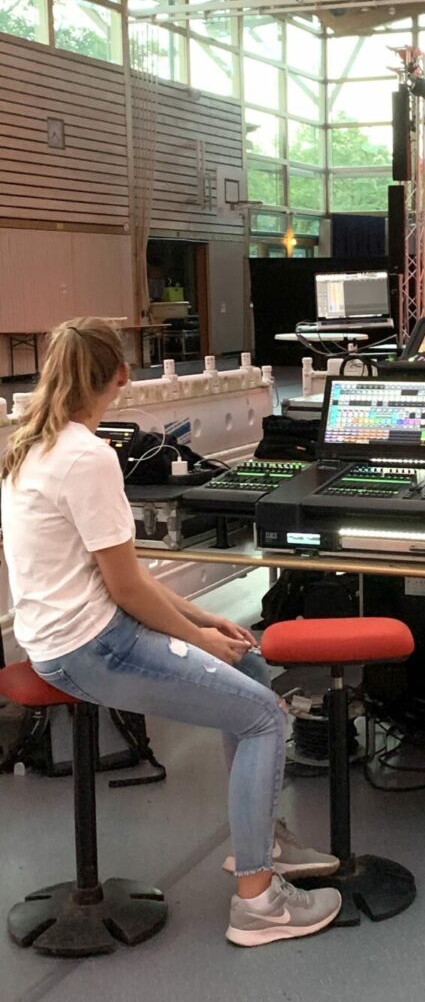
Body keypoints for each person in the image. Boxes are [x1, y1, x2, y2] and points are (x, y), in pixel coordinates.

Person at [0, 317, 342, 948]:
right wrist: (201, 638)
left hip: (60, 638)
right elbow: (126, 590)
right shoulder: (87, 457)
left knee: (248, 665)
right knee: (263, 715)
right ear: (120, 377)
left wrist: (204, 620)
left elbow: (121, 576)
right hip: (92, 647)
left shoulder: (32, 447)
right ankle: (258, 901)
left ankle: (262, 840)